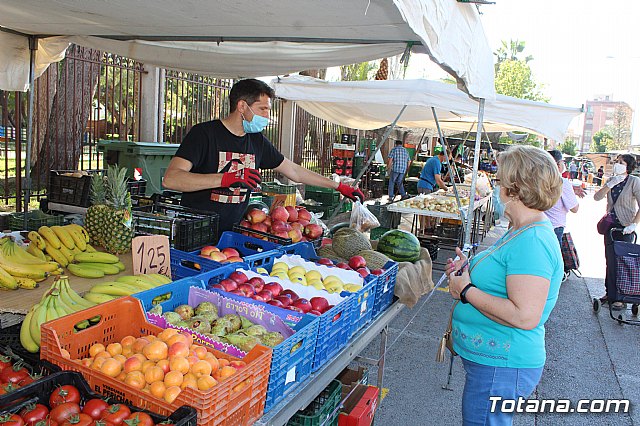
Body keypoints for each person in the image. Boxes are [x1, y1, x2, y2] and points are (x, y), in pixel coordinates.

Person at [446, 145, 563, 425]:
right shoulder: (520, 229)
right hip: (493, 365)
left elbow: (525, 315)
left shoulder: (532, 241)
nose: (496, 188)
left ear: (516, 188)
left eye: (498, 181)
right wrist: (469, 269)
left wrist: (466, 290)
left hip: (502, 367)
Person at [163, 79, 364, 232]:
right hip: (195, 231)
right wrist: (226, 179)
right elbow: (171, 179)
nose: (268, 116)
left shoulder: (256, 140)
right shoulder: (204, 134)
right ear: (242, 106)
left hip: (234, 234)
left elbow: (293, 170)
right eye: (263, 109)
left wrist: (338, 186)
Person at [593, 154, 640, 310]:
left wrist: (634, 224)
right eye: (617, 162)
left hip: (625, 227)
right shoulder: (611, 181)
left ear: (628, 166)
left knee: (623, 262)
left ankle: (620, 297)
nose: (617, 164)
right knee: (610, 261)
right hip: (611, 227)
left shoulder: (634, 182)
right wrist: (610, 184)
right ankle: (610, 293)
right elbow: (597, 197)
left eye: (621, 162)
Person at [545, 150, 579, 245]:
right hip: (555, 227)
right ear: (558, 165)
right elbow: (574, 208)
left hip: (539, 226)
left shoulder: (539, 180)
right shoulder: (562, 182)